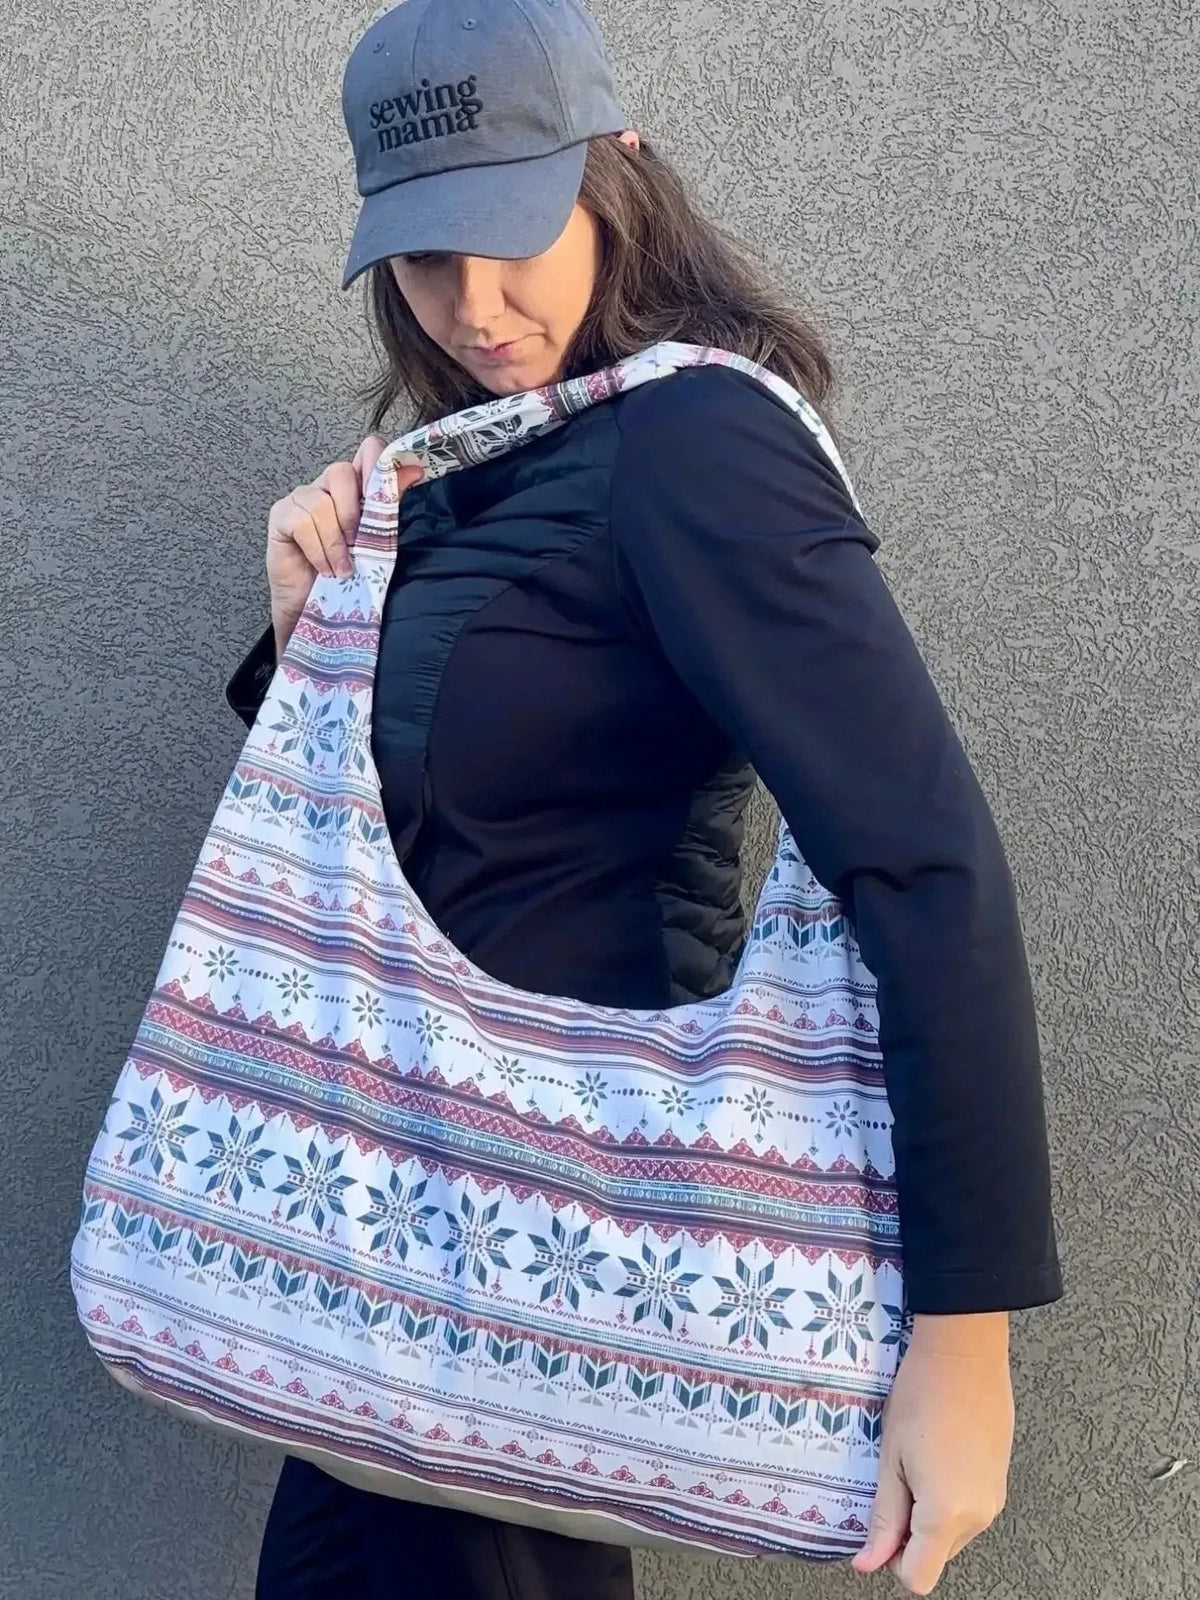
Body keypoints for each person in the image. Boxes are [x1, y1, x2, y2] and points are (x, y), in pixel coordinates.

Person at [225, 2, 1062, 1595]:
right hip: (389, 1229)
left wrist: (963, 1347)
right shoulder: (475, 457)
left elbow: (924, 866)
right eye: (421, 262)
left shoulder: (697, 443)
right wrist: (302, 636)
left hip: (546, 1226)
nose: (473, 307)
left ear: (614, 166)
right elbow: (391, 849)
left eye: (507, 240)